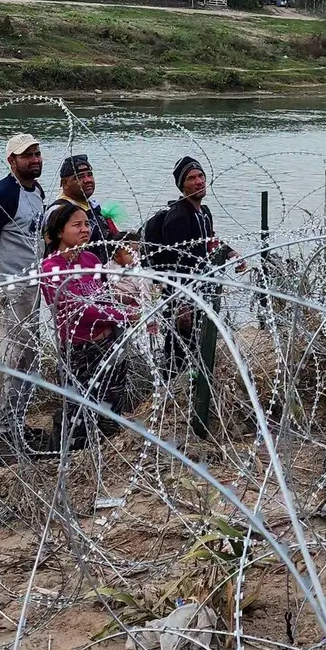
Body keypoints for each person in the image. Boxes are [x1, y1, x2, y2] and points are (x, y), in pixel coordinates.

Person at [0, 134, 47, 444]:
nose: (35, 160)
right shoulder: (1, 194)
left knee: (29, 354)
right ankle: (5, 424)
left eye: (37, 153)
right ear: (11, 161)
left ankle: (15, 416)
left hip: (31, 283)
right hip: (9, 285)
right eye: (27, 155)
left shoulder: (36, 191)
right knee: (13, 355)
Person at [142, 156, 245, 373]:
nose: (198, 181)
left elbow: (209, 242)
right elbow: (175, 263)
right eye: (191, 178)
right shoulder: (179, 217)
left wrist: (231, 253)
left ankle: (190, 389)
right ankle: (173, 395)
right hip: (182, 295)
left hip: (200, 290)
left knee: (195, 347)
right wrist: (181, 304)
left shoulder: (203, 213)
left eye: (200, 176)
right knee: (179, 351)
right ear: (182, 185)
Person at [40, 202, 131, 447]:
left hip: (108, 342)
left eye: (87, 224)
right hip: (80, 350)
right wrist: (121, 315)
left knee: (111, 408)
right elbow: (75, 308)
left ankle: (107, 455)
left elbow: (103, 295)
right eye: (76, 225)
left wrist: (125, 303)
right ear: (59, 232)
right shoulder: (51, 268)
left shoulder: (91, 259)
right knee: (78, 413)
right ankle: (63, 457)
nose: (85, 230)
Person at [46, 154, 120, 262]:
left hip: (100, 271)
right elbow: (51, 250)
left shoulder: (94, 207)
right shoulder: (58, 211)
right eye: (79, 177)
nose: (87, 180)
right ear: (65, 183)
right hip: (73, 272)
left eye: (90, 175)